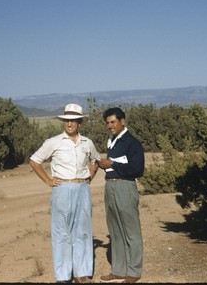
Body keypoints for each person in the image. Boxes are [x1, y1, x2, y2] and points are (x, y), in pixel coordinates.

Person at [29, 103, 100, 283]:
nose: (69, 124)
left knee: (82, 231)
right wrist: (48, 180)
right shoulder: (53, 142)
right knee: (61, 233)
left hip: (82, 189)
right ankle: (62, 276)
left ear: (79, 122)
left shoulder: (87, 143)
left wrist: (89, 177)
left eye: (73, 121)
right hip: (61, 189)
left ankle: (81, 273)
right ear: (63, 122)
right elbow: (34, 161)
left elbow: (96, 160)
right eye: (66, 121)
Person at [97, 107, 144, 284]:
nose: (110, 126)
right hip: (110, 187)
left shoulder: (132, 143)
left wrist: (112, 164)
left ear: (122, 121)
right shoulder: (112, 141)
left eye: (113, 122)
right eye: (107, 123)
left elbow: (137, 169)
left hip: (125, 187)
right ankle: (118, 270)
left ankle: (134, 271)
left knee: (131, 230)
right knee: (115, 230)